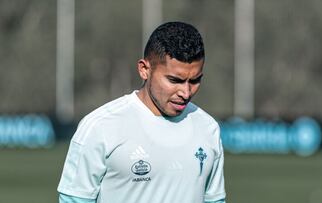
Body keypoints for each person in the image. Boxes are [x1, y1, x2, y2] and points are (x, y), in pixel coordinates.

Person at [57, 21, 226, 203]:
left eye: (194, 81)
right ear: (144, 69)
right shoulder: (100, 126)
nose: (186, 92)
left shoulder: (208, 128)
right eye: (174, 80)